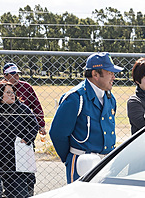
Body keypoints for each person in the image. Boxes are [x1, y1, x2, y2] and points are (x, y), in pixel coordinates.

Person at [49, 52, 122, 183]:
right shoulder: (76, 98)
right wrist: (71, 158)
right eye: (110, 73)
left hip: (106, 163)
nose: (114, 77)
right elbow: (58, 133)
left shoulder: (110, 98)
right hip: (82, 163)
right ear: (95, 74)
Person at [0, 81, 40, 198]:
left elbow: (34, 125)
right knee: (0, 193)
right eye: (8, 92)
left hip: (17, 158)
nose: (12, 95)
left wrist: (27, 138)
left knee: (19, 194)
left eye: (13, 92)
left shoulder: (21, 107)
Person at [2, 62, 46, 135]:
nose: (16, 77)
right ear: (5, 76)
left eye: (17, 74)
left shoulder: (25, 87)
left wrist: (41, 124)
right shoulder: (0, 88)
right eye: (13, 75)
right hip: (5, 127)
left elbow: (36, 106)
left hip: (25, 126)